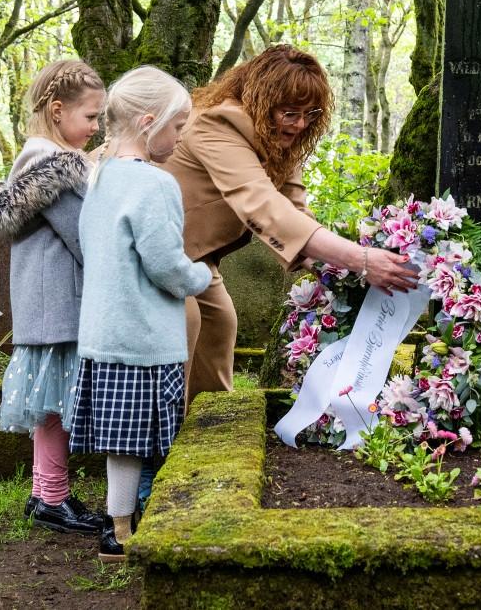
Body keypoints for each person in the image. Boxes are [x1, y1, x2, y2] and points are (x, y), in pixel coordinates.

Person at [160, 44, 416, 402]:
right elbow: (263, 206)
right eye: (290, 112)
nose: (300, 123)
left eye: (310, 113)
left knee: (219, 326)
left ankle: (205, 429)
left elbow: (294, 210)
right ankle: (158, 438)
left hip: (194, 256)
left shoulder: (278, 136)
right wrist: (361, 259)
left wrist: (335, 275)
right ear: (262, 101)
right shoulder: (217, 123)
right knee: (184, 324)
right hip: (153, 250)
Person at [69, 66, 212, 563]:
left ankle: (117, 525)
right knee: (146, 438)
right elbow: (165, 264)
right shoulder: (155, 184)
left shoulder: (100, 176)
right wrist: (200, 278)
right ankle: (128, 527)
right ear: (149, 121)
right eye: (178, 126)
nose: (181, 136)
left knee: (122, 441)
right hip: (146, 336)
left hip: (103, 330)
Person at [0, 59, 105, 534]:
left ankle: (43, 493)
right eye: (90, 117)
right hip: (59, 302)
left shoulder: (43, 159)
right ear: (57, 110)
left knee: (51, 402)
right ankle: (53, 497)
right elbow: (85, 238)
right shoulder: (54, 167)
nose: (96, 128)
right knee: (54, 405)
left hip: (48, 301)